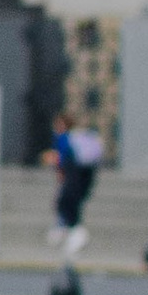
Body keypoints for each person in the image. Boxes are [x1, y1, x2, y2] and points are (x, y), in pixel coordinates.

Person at [50, 109, 104, 256]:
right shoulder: (81, 137)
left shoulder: (65, 138)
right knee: (70, 203)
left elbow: (61, 157)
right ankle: (68, 231)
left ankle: (70, 231)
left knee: (65, 202)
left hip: (73, 174)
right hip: (85, 175)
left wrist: (59, 169)